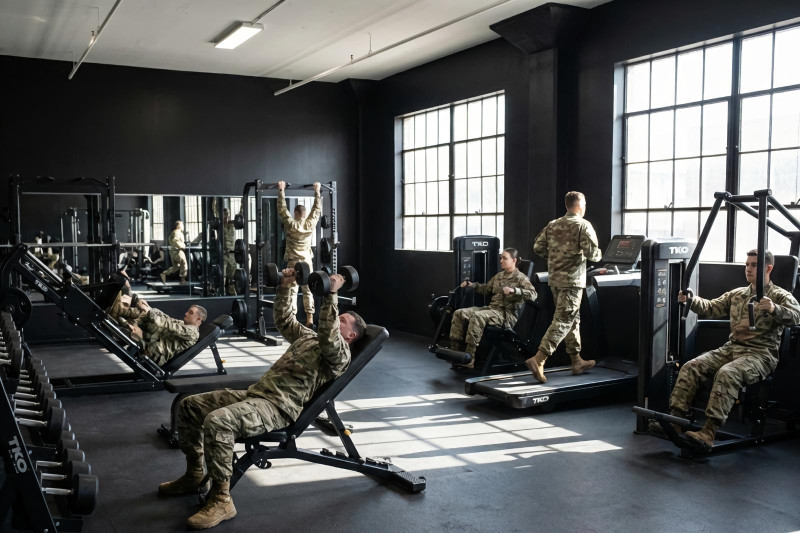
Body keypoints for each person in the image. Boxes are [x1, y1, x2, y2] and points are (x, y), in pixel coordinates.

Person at [157, 268, 366, 529]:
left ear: (350, 335)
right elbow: (284, 320)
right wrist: (286, 286)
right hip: (255, 394)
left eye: (342, 320)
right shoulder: (309, 338)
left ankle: (222, 500)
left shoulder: (340, 356)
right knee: (190, 406)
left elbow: (329, 336)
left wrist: (332, 295)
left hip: (277, 408)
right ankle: (194, 474)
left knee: (219, 422)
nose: (336, 319)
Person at [664, 249, 800, 450]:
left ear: (768, 268)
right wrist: (690, 300)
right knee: (692, 366)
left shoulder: (779, 296)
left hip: (761, 354)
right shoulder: (738, 294)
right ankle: (675, 421)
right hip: (733, 348)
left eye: (754, 265)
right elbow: (711, 307)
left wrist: (774, 309)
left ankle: (708, 432)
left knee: (727, 373)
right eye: (747, 265)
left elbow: (796, 317)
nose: (748, 269)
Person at [526, 191, 602, 383]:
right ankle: (539, 358)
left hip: (555, 280)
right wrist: (597, 255)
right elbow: (593, 254)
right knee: (564, 320)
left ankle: (576, 361)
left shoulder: (553, 224)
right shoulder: (583, 225)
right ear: (580, 205)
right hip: (572, 281)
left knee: (572, 319)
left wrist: (557, 257)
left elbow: (538, 247)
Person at [448, 248, 537, 368]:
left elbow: (533, 295)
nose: (501, 261)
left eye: (504, 258)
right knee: (459, 313)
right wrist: (472, 285)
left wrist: (514, 290)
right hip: (492, 309)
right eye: (501, 258)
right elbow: (486, 289)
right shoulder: (499, 276)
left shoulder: (521, 278)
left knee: (478, 316)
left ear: (514, 260)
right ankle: (455, 353)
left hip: (506, 315)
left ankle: (469, 358)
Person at [109, 288, 206, 366]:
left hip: (153, 352)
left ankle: (119, 314)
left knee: (148, 320)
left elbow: (167, 325)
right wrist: (149, 308)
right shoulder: (183, 323)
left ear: (199, 319)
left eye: (190, 313)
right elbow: (166, 318)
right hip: (152, 341)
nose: (186, 313)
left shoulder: (192, 333)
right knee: (146, 315)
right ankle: (119, 311)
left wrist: (149, 311)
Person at [278, 180, 322, 327]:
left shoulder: (291, 224)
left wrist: (281, 190)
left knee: (292, 290)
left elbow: (282, 209)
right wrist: (317, 191)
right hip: (307, 262)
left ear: (296, 213)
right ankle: (310, 318)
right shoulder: (310, 224)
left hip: (293, 262)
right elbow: (316, 209)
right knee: (308, 289)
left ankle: (293, 319)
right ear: (304, 213)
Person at [221, 207, 240, 296]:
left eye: (228, 214)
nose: (226, 216)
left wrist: (242, 205)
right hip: (223, 254)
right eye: (225, 214)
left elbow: (240, 216)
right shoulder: (220, 226)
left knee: (232, 275)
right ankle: (222, 292)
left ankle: (231, 290)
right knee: (223, 275)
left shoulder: (233, 224)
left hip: (232, 254)